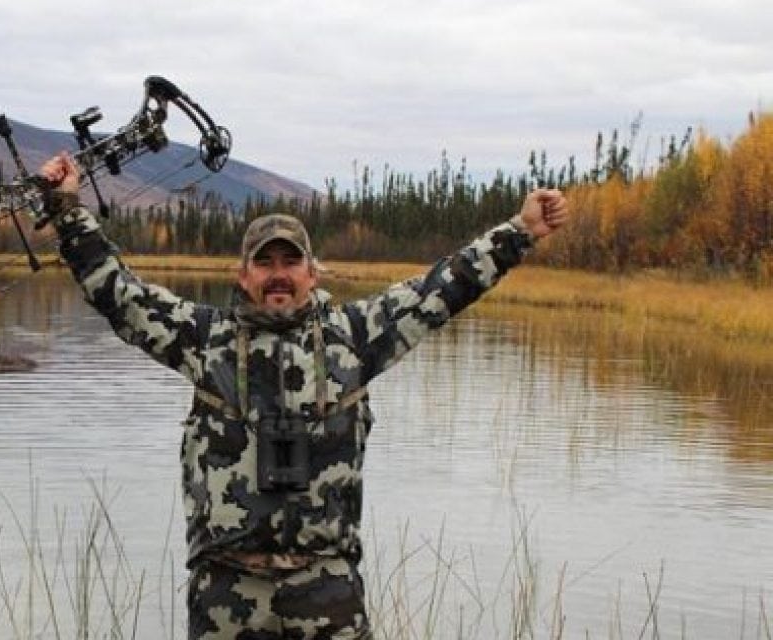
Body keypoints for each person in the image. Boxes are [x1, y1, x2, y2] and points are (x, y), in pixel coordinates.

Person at [40, 152, 568, 639]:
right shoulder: (203, 340)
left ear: (311, 273)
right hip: (225, 590)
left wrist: (520, 231)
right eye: (264, 263)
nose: (278, 275)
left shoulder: (355, 337)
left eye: (289, 263)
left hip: (328, 584)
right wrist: (67, 209)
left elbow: (443, 287)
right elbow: (118, 294)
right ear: (242, 276)